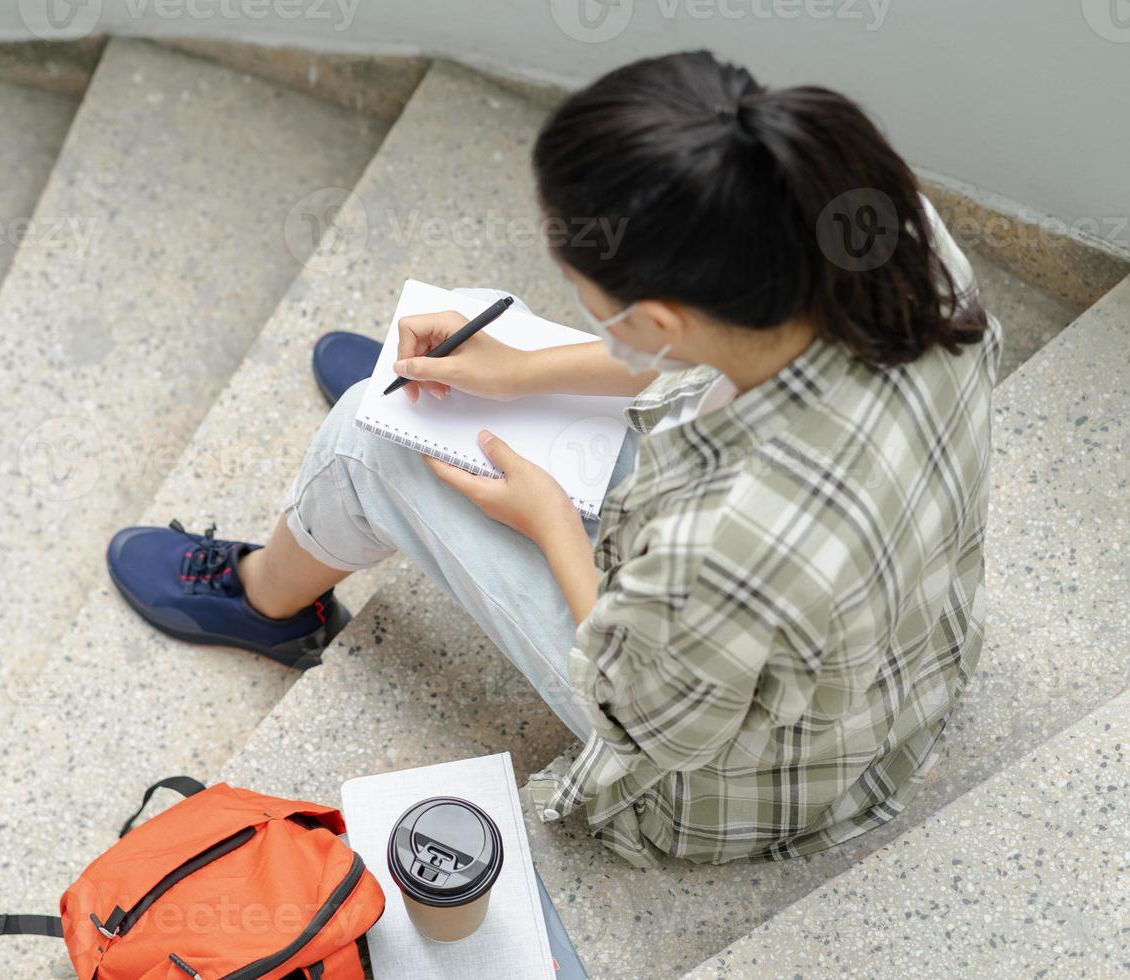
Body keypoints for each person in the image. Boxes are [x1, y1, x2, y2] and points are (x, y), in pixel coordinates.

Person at [107, 50, 1000, 867]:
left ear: (659, 324)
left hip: (734, 772)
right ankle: (433, 399)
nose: (586, 303)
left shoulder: (728, 543)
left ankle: (271, 601)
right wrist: (524, 373)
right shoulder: (891, 240)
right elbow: (704, 353)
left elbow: (641, 715)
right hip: (891, 659)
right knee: (442, 354)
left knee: (365, 438)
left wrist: (544, 521)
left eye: (594, 299)